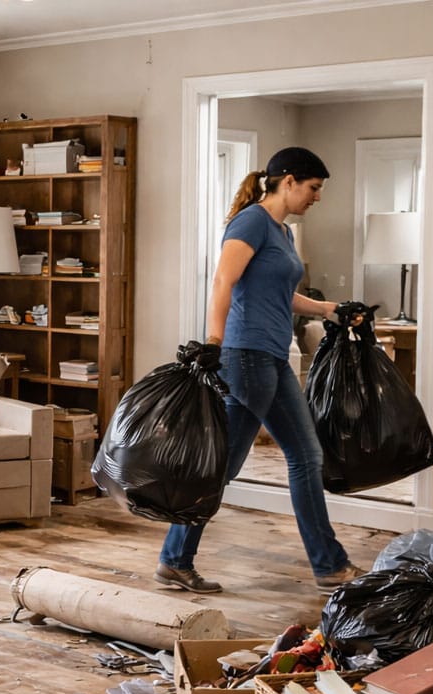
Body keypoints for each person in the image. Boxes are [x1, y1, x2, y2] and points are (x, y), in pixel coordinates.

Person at [154, 146, 362, 596]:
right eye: (314, 188)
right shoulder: (250, 222)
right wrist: (213, 342)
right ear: (287, 181)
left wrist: (331, 310)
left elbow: (283, 295)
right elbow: (223, 280)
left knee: (242, 463)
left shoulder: (282, 233)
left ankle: (175, 559)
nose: (317, 197)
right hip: (244, 355)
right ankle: (329, 566)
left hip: (270, 355)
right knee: (275, 460)